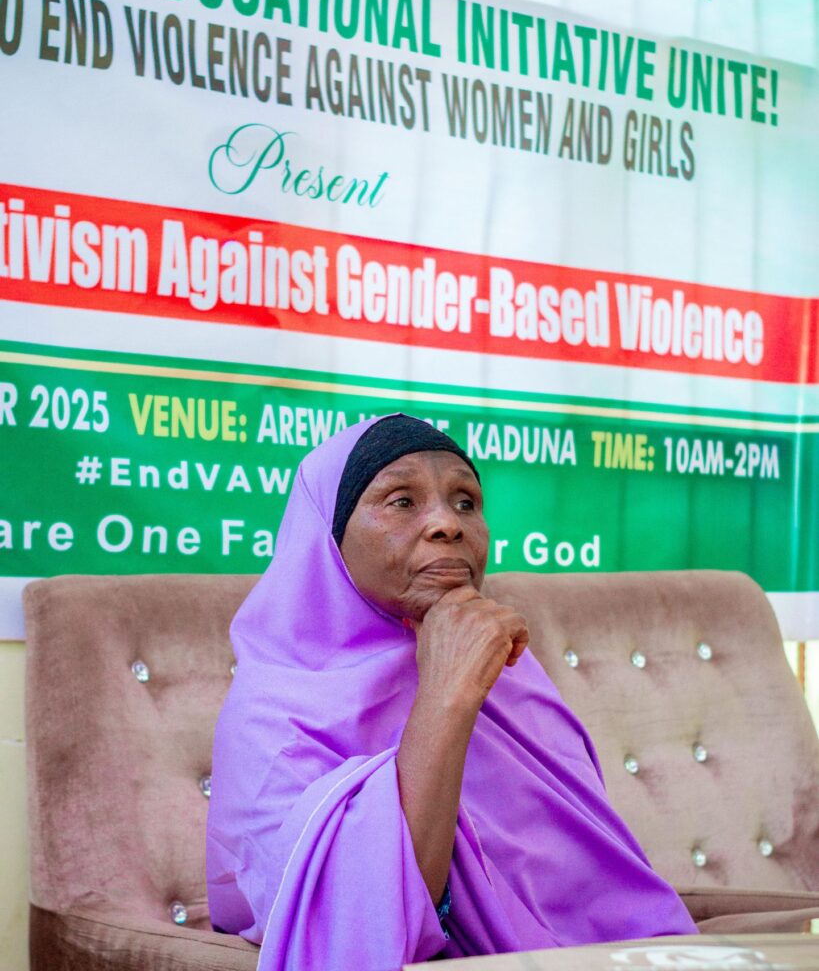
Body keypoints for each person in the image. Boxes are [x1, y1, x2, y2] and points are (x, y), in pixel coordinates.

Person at [206, 414, 696, 970]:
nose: (448, 524)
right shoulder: (273, 711)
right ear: (330, 537)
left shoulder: (511, 669)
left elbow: (599, 892)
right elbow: (360, 933)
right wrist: (446, 695)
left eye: (466, 501)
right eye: (402, 501)